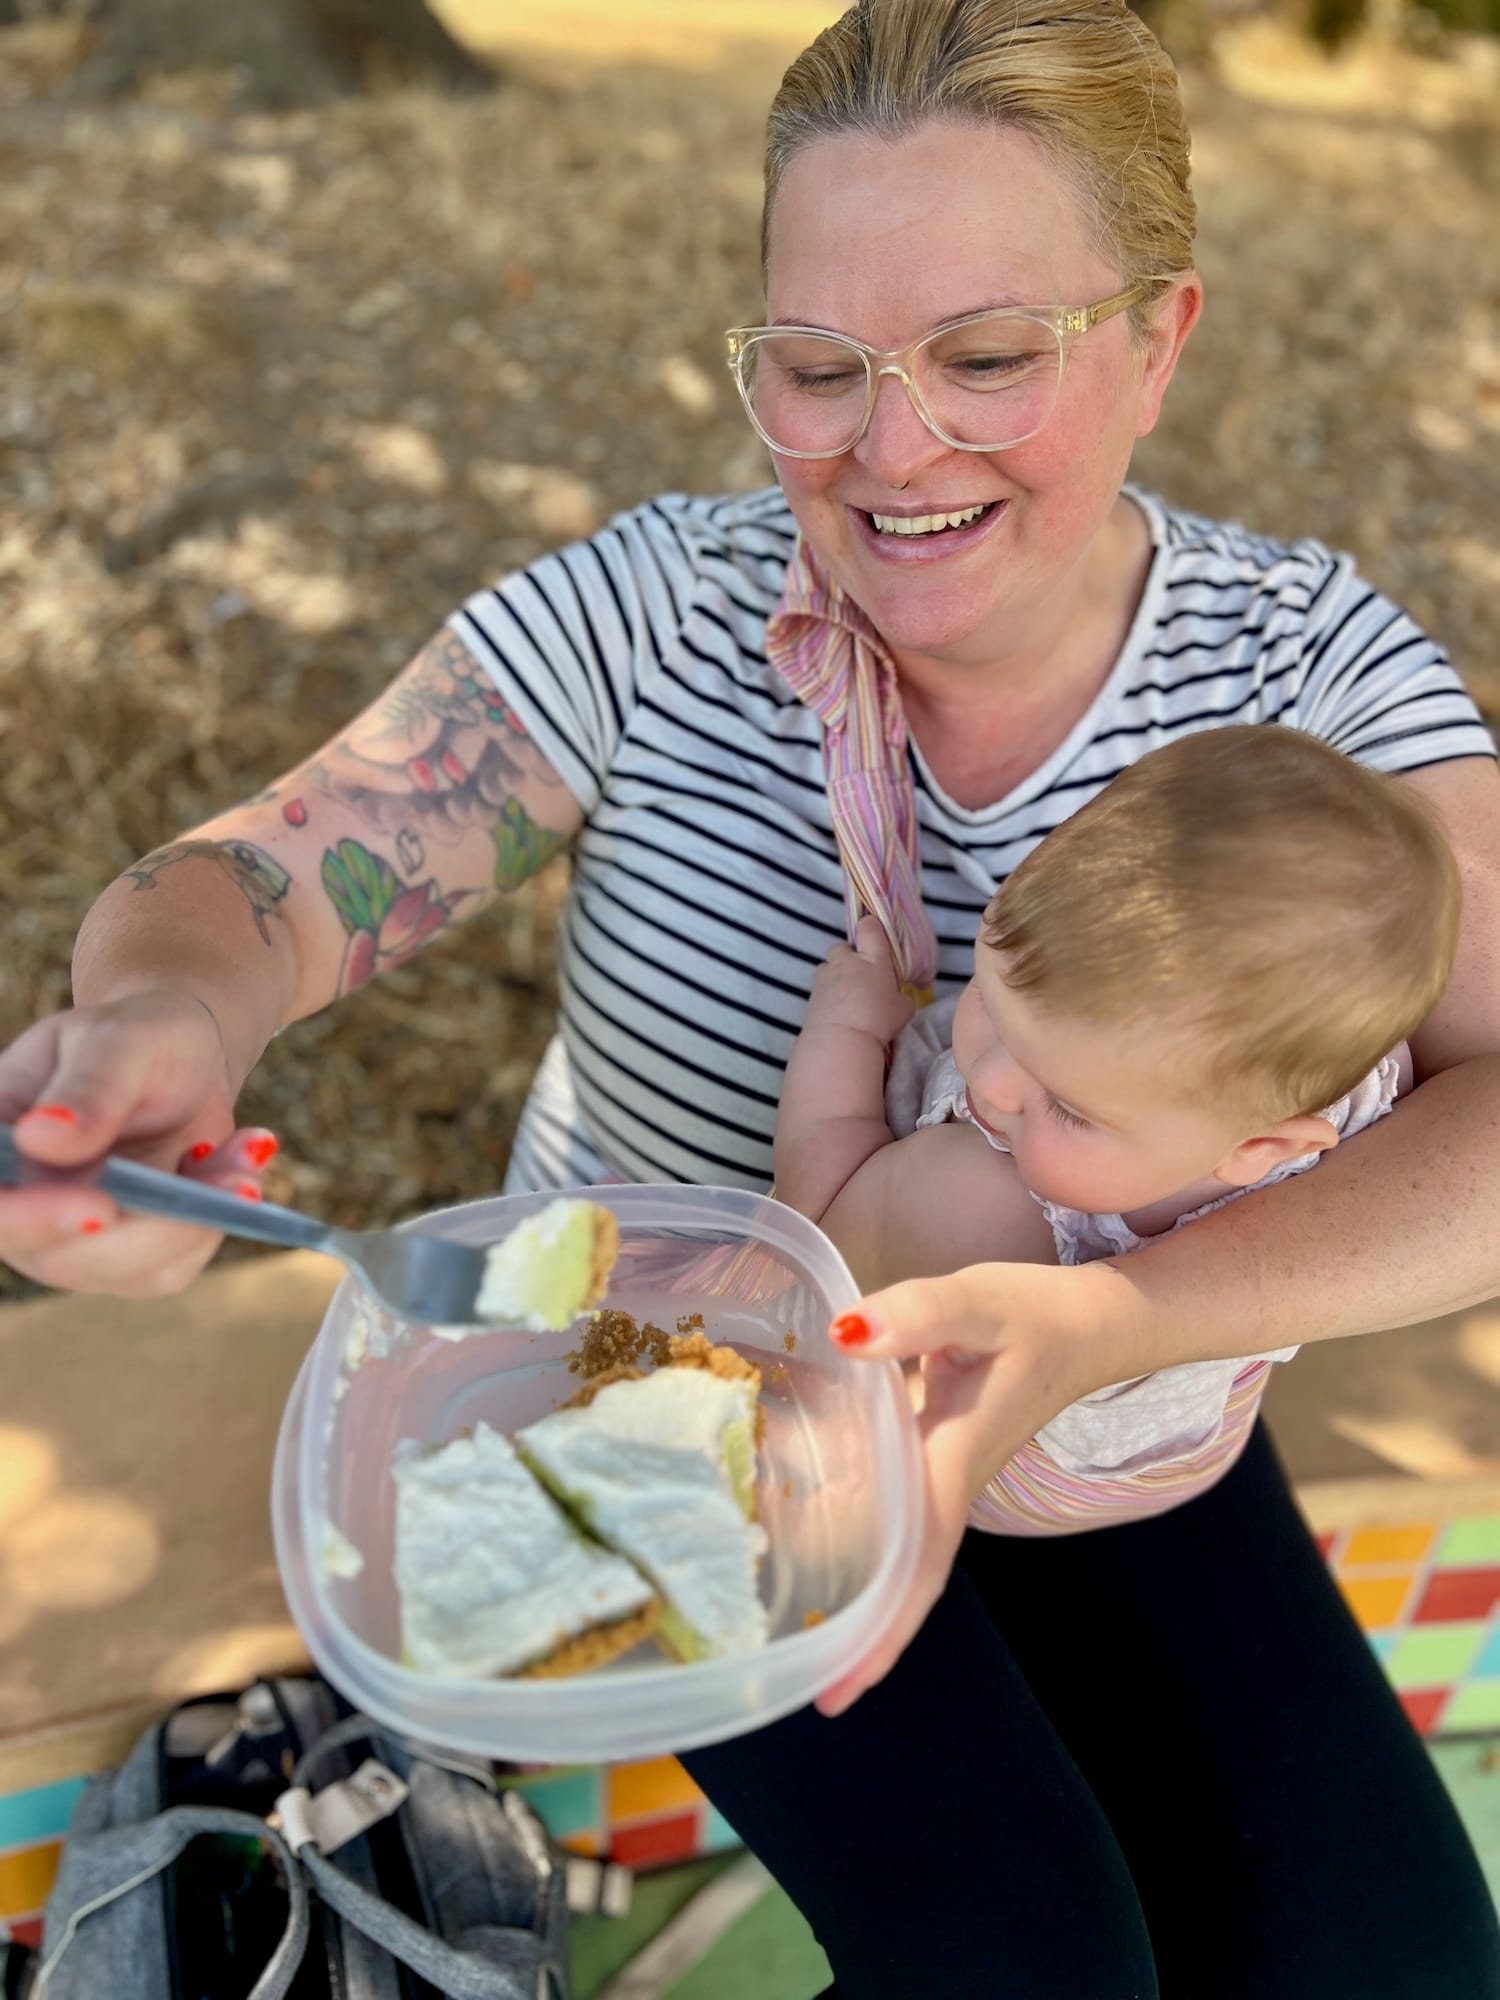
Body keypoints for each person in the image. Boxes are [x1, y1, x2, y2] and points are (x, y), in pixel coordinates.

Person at [2, 0, 1498, 1990]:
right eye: (815, 366)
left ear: (1161, 338)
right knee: (1021, 1961)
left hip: (1123, 1393)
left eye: (988, 356)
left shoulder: (1310, 680)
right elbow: (268, 883)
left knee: (1388, 1952)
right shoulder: (659, 617)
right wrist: (164, 1021)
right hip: (682, 1386)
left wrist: (1112, 1323)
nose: (895, 449)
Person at [774, 726, 1458, 1533]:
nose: (989, 1083)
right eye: (989, 997)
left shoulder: (984, 1221)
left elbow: (805, 1230)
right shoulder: (1311, 1068)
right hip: (1189, 1449)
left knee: (948, 1197)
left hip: (1032, 1463)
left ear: (1260, 1151)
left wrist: (847, 1030)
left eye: (1067, 1105)